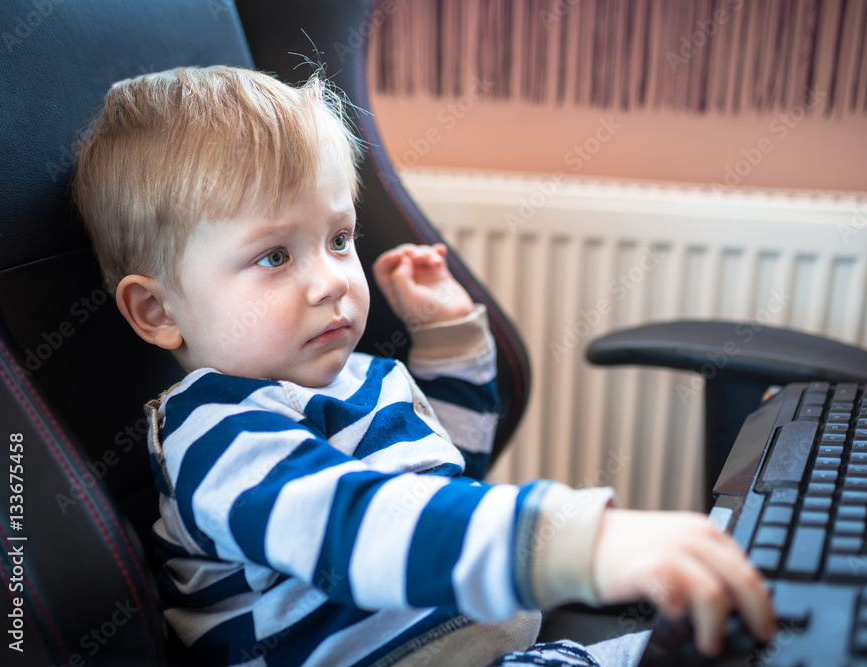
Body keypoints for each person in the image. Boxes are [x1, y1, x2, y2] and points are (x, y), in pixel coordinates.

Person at [71, 65, 776, 667]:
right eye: (275, 256)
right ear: (158, 312)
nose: (330, 281)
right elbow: (359, 523)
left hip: (479, 647)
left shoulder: (357, 378)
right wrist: (582, 539)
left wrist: (443, 341)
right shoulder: (215, 435)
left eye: (339, 238)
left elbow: (443, 467)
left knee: (732, 637)